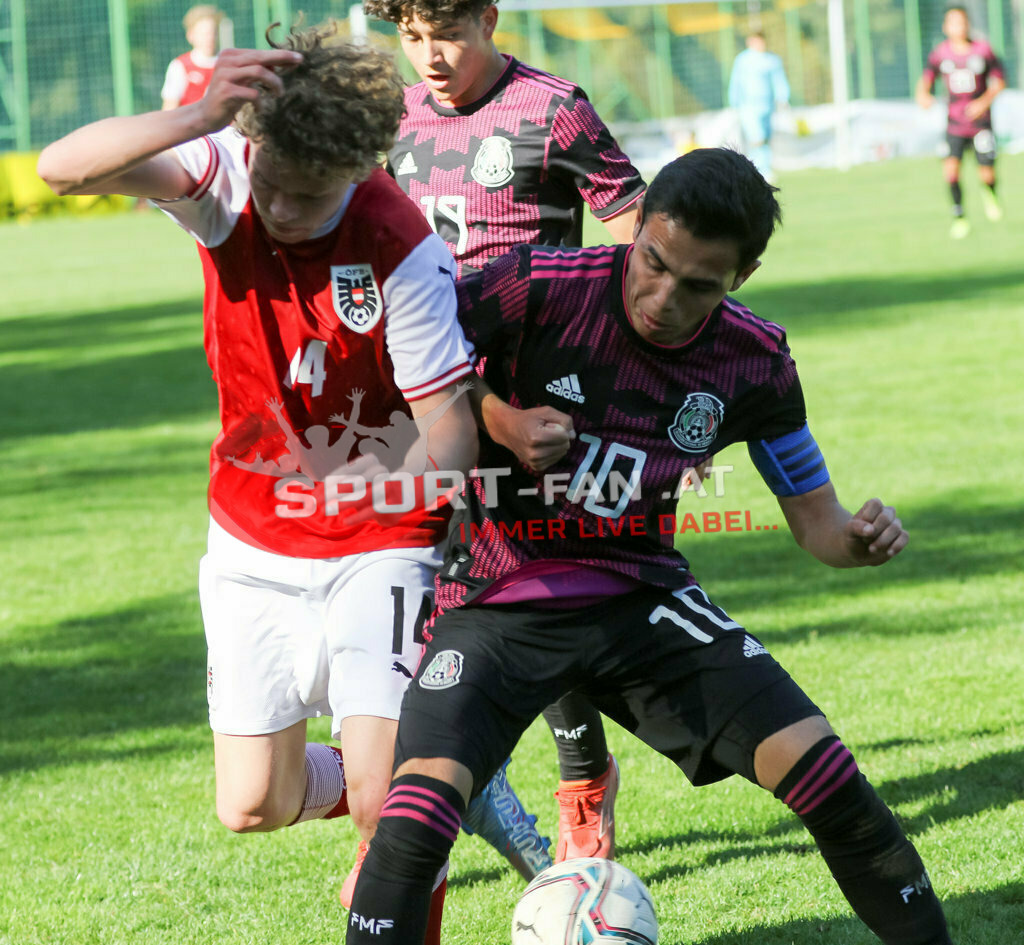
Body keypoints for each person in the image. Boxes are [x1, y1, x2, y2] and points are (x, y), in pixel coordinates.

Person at [343, 148, 955, 945]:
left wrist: (857, 540)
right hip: (495, 597)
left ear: (745, 272)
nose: (663, 297)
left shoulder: (754, 360)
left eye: (699, 284)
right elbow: (413, 347)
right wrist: (500, 420)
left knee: (830, 778)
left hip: (643, 600)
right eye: (654, 263)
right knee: (417, 815)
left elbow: (817, 521)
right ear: (637, 231)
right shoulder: (539, 283)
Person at [38, 23, 480, 944]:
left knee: (380, 800)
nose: (276, 205)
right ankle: (422, 779)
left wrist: (402, 512)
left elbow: (449, 429)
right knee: (252, 803)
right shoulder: (227, 173)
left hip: (379, 540)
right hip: (249, 541)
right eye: (269, 177)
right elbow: (61, 169)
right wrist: (199, 114)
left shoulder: (403, 248)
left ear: (359, 166)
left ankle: (406, 807)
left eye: (306, 193)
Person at [361, 0, 647, 873]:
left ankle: (581, 778)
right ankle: (409, 809)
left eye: (445, 33)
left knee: (536, 593)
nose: (430, 57)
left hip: (535, 394)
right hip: (420, 388)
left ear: (489, 18)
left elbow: (635, 224)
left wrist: (617, 356)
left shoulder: (553, 106)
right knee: (414, 588)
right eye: (410, 38)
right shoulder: (393, 119)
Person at [916, 5, 1005, 239]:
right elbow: (925, 81)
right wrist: (923, 96)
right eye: (953, 22)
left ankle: (990, 192)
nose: (958, 27)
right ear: (946, 27)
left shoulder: (983, 50)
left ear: (968, 24)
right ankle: (960, 217)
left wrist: (983, 103)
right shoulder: (939, 54)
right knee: (951, 171)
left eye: (962, 22)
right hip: (954, 124)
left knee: (986, 173)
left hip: (980, 124)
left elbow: (999, 82)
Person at [728, 31, 790, 182]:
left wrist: (783, 98)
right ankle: (758, 170)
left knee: (765, 137)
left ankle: (764, 168)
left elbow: (779, 80)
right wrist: (733, 101)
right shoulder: (742, 60)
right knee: (757, 137)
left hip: (767, 105)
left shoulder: (772, 60)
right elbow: (736, 81)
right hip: (748, 105)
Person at [161, 5, 223, 109]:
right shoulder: (180, 66)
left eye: (213, 32)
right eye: (204, 34)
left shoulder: (227, 63)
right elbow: (169, 110)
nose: (210, 38)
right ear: (190, 35)